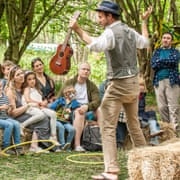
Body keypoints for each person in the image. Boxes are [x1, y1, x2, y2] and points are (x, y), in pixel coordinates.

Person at [69, 1, 152, 179]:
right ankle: (148, 163)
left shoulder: (110, 32)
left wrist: (77, 29)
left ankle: (111, 170)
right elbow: (145, 42)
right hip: (134, 84)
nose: (99, 20)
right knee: (134, 125)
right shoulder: (129, 31)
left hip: (119, 85)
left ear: (109, 16)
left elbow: (95, 45)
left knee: (106, 126)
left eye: (100, 17)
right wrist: (144, 22)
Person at [5, 66, 53, 153]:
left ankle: (34, 146)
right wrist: (28, 106)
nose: (21, 76)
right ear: (13, 78)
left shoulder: (24, 88)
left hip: (25, 113)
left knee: (45, 117)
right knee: (43, 119)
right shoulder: (11, 91)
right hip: (16, 117)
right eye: (18, 75)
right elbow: (12, 113)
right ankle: (34, 146)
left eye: (22, 73)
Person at [57, 62, 101, 152]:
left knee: (100, 110)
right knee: (79, 112)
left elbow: (97, 101)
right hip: (72, 109)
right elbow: (60, 98)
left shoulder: (91, 86)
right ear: (78, 70)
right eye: (83, 69)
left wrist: (87, 106)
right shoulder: (70, 83)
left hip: (87, 109)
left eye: (88, 70)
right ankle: (77, 145)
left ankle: (100, 140)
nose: (86, 71)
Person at [0, 75, 23, 155]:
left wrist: (10, 108)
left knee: (16, 124)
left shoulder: (5, 96)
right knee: (9, 125)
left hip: (4, 117)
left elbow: (7, 112)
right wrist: (0, 108)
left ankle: (17, 146)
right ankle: (5, 147)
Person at [151, 32, 180, 131]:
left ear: (171, 41)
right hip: (158, 81)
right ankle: (167, 129)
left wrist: (160, 62)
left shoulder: (175, 52)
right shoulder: (157, 52)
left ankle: (175, 129)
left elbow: (174, 61)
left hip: (172, 81)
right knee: (162, 107)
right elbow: (154, 65)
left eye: (168, 38)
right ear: (161, 40)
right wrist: (164, 62)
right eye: (164, 38)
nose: (166, 40)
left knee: (173, 106)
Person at [22, 70, 59, 144]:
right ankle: (23, 124)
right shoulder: (27, 89)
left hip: (39, 107)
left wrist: (44, 102)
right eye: (29, 79)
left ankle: (53, 136)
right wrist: (38, 103)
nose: (32, 81)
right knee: (41, 115)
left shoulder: (37, 89)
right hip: (30, 107)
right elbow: (28, 100)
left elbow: (41, 100)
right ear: (26, 81)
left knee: (53, 114)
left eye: (33, 79)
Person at [49, 86, 78, 151]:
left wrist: (70, 110)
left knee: (72, 129)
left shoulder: (74, 102)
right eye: (70, 93)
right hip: (57, 120)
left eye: (73, 93)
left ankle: (68, 146)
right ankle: (62, 145)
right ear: (65, 94)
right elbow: (51, 107)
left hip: (66, 121)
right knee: (61, 127)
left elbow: (77, 108)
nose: (71, 94)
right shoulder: (60, 100)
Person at [138, 78, 164, 145]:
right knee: (150, 119)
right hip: (137, 117)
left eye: (142, 85)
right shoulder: (134, 96)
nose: (141, 87)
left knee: (152, 113)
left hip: (142, 114)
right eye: (139, 85)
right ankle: (154, 136)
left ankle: (154, 134)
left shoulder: (143, 95)